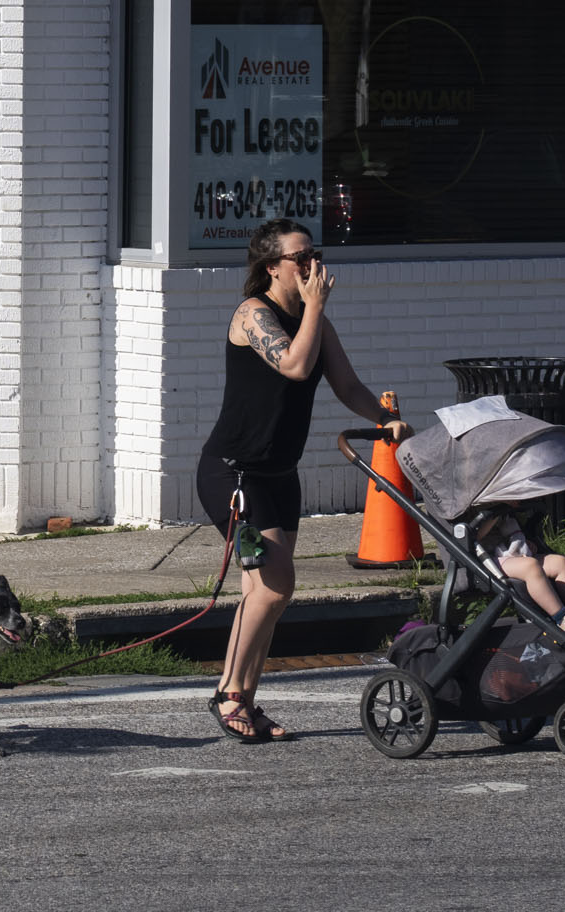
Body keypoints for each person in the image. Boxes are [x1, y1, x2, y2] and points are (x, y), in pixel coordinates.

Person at [194, 217, 408, 744]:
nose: (313, 265)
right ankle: (228, 693)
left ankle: (245, 695)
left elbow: (348, 385)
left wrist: (383, 418)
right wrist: (314, 308)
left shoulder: (317, 322)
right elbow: (292, 365)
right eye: (300, 257)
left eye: (315, 254)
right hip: (233, 474)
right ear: (272, 267)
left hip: (279, 475)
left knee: (268, 594)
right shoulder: (252, 315)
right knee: (275, 585)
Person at [468, 508, 565, 637]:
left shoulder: (505, 508)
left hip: (510, 554)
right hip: (487, 559)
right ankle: (562, 618)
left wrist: (524, 541)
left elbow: (512, 531)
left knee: (560, 562)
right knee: (530, 566)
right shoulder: (470, 507)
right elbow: (473, 536)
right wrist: (497, 510)